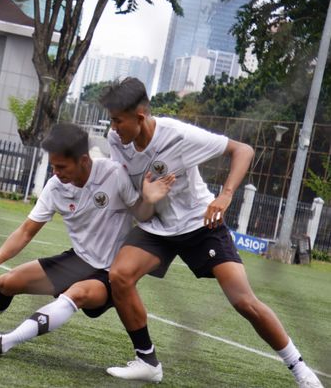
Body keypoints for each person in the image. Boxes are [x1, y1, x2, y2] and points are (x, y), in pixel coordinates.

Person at [99, 77, 322, 387]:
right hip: (157, 227)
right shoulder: (116, 141)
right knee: (119, 275)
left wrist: (226, 195)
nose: (113, 127)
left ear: (140, 116)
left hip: (200, 224)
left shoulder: (178, 135)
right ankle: (147, 361)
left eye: (117, 120)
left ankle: (299, 369)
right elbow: (122, 183)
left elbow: (242, 150)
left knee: (244, 301)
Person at [0, 124, 175, 358]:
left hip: (109, 272)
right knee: (6, 282)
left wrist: (149, 200)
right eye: (53, 166)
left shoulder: (114, 175)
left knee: (75, 295)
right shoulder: (55, 187)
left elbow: (141, 216)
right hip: (77, 260)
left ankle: (4, 342)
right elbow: (26, 231)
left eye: (62, 166)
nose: (55, 172)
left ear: (84, 160)